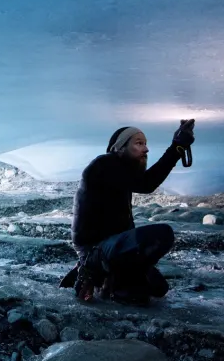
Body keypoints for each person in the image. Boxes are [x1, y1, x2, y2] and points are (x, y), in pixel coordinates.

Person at [60, 120, 196, 305]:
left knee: (157, 288)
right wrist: (176, 148)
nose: (146, 149)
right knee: (163, 234)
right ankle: (90, 268)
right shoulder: (104, 165)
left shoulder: (120, 175)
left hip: (111, 246)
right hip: (94, 248)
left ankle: (109, 276)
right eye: (139, 143)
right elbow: (147, 184)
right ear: (120, 148)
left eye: (145, 143)